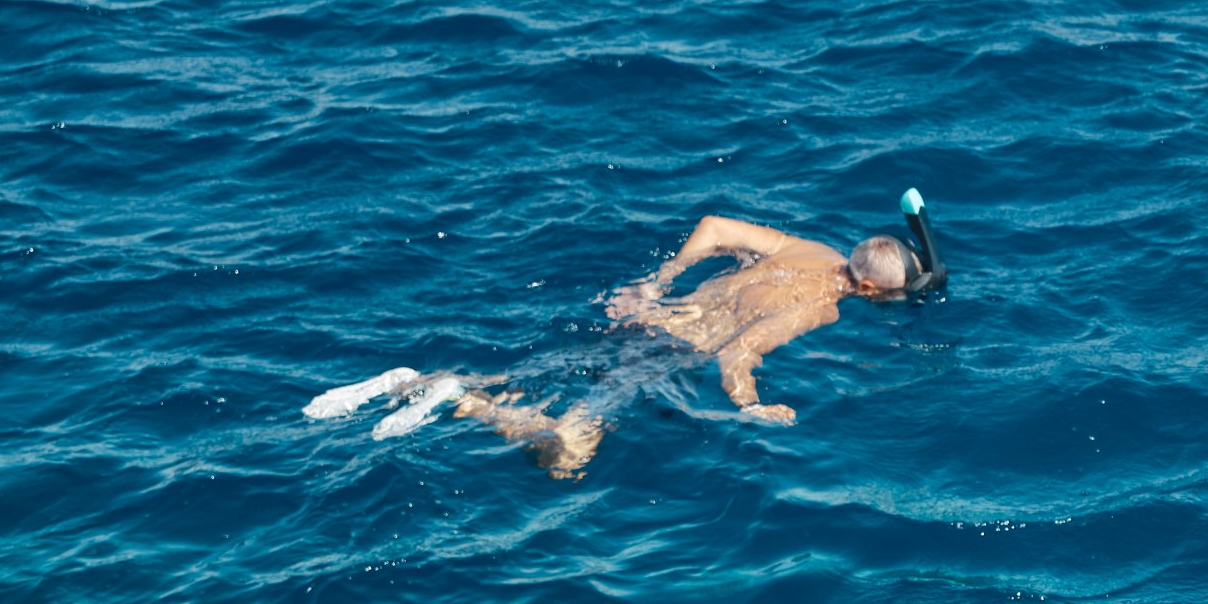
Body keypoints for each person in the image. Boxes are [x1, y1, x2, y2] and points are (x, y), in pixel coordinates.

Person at [311, 201, 937, 480]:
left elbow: (715, 226)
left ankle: (430, 383)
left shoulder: (810, 250)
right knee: (568, 456)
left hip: (648, 320)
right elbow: (736, 352)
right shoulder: (822, 309)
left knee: (546, 377)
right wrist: (750, 406)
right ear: (871, 290)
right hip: (669, 354)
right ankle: (460, 399)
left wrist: (655, 283)